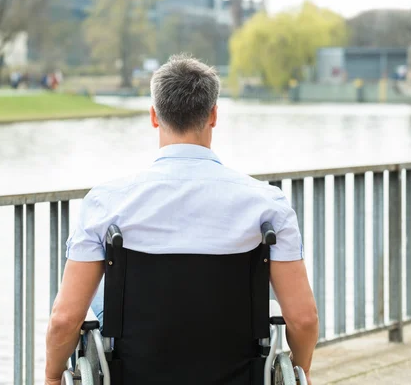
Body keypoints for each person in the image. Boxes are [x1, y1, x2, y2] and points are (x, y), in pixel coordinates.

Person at [45, 55, 319, 385]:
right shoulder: (267, 206)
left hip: (135, 374)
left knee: (104, 292)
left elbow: (64, 320)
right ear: (214, 115)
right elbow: (303, 320)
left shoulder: (106, 203)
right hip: (237, 373)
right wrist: (301, 369)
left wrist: (51, 378)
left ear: (154, 117)